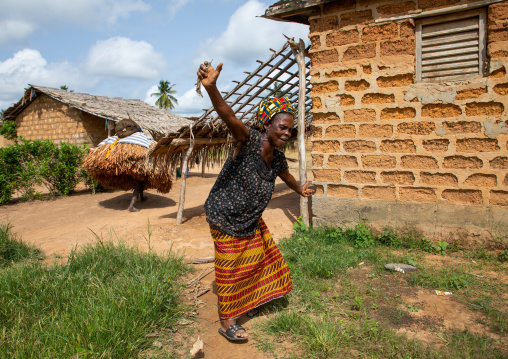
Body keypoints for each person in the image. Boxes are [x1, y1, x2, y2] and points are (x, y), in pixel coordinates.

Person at [197, 61, 314, 341]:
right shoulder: (247, 140)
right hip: (225, 218)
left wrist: (299, 189)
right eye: (283, 127)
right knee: (230, 269)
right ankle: (227, 322)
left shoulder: (278, 156)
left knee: (260, 257)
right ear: (267, 124)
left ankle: (249, 301)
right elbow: (229, 115)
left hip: (249, 220)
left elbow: (285, 176)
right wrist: (212, 88)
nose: (287, 133)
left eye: (290, 129)